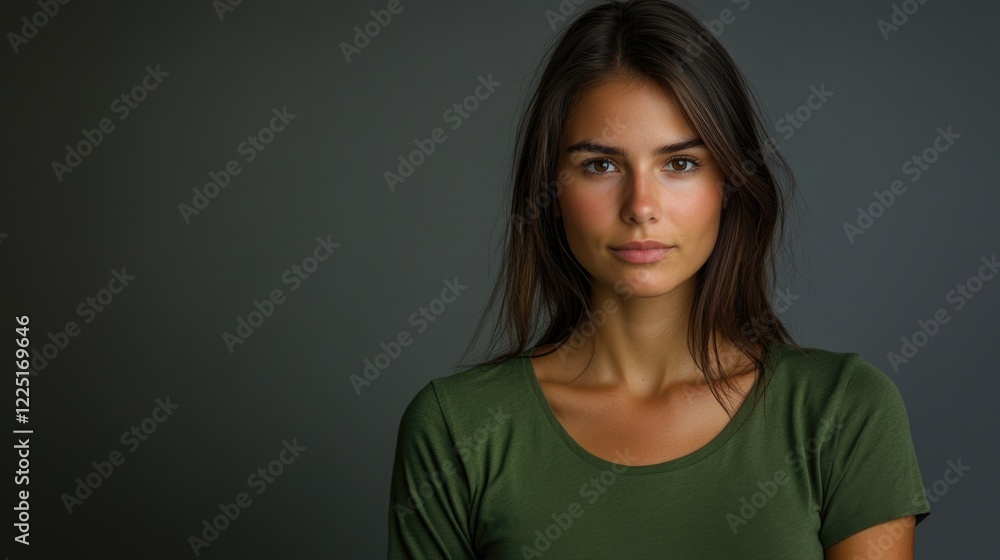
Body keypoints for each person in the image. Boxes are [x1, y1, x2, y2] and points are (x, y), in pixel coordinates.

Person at [387, 1, 931, 557]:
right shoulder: (459, 429)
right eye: (601, 165)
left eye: (680, 164)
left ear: (730, 183)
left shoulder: (843, 410)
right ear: (551, 191)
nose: (641, 206)